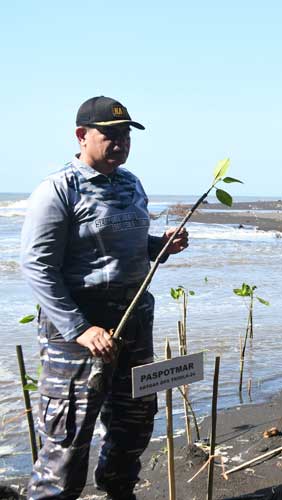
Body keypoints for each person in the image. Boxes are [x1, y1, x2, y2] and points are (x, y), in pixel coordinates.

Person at [20, 96, 189, 500]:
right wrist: (80, 329)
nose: (120, 143)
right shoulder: (58, 190)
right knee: (69, 433)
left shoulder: (131, 183)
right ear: (82, 136)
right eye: (110, 135)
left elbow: (126, 250)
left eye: (125, 135)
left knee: (134, 422)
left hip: (132, 324)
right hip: (78, 333)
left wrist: (158, 246)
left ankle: (119, 491)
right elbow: (37, 267)